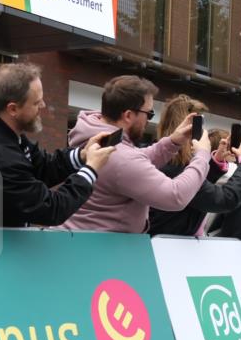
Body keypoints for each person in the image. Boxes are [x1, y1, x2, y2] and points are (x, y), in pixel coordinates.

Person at [0, 62, 113, 227]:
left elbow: (42, 166)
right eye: (36, 102)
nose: (43, 105)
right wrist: (90, 170)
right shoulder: (0, 156)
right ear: (12, 109)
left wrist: (82, 154)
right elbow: (50, 209)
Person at [63, 76, 209, 233]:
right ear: (128, 115)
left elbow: (136, 157)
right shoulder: (122, 157)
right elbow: (175, 196)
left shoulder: (95, 135)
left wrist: (173, 142)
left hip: (79, 239)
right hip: (98, 250)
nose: (148, 120)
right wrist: (202, 155)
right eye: (149, 113)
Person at [148, 96, 241, 237]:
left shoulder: (169, 161)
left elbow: (197, 188)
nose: (204, 133)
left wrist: (214, 163)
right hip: (164, 250)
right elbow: (223, 200)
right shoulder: (175, 166)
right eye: (200, 128)